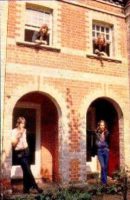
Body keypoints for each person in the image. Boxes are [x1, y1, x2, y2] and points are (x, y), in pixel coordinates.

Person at [11, 117, 43, 194]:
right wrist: (19, 135)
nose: (23, 125)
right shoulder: (14, 131)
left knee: (26, 171)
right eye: (22, 123)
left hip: (26, 151)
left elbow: (30, 140)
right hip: (19, 153)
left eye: (24, 123)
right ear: (18, 123)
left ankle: (26, 190)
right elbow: (13, 144)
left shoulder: (25, 131)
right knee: (28, 170)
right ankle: (36, 186)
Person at [95, 120, 110, 185]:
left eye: (103, 125)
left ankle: (103, 181)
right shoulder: (97, 133)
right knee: (103, 166)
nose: (102, 126)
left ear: (104, 126)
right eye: (101, 125)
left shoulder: (107, 133)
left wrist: (107, 147)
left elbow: (108, 142)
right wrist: (100, 144)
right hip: (100, 151)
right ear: (99, 126)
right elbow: (96, 142)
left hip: (106, 151)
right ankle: (104, 182)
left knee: (105, 167)